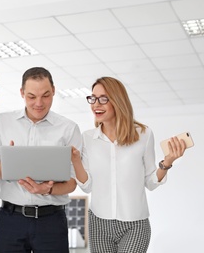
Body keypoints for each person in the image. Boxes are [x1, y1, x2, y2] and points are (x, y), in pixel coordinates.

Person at [71, 76, 187, 253]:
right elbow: (87, 187)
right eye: (93, 98)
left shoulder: (144, 134)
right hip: (98, 223)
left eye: (103, 98)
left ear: (118, 101)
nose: (96, 104)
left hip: (135, 225)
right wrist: (76, 161)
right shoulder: (87, 138)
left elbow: (150, 181)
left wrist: (167, 162)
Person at [0, 67, 82, 253]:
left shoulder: (69, 129)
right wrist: (11, 163)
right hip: (11, 220)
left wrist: (48, 189)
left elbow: (72, 182)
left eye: (45, 95)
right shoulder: (2, 122)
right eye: (31, 96)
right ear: (21, 93)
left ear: (53, 90)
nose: (39, 103)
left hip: (51, 221)